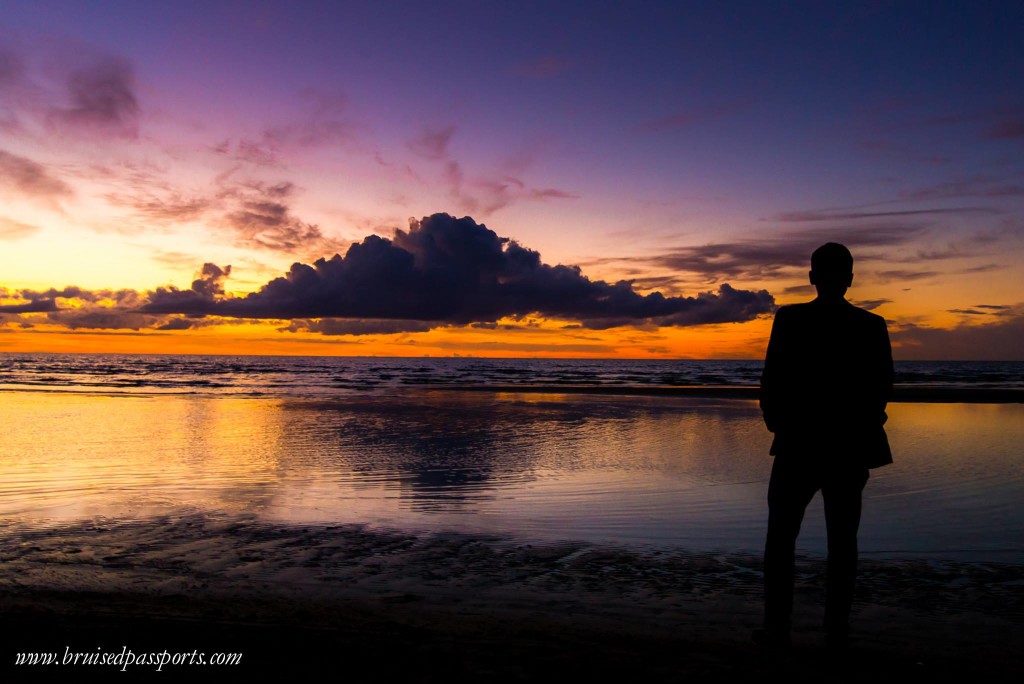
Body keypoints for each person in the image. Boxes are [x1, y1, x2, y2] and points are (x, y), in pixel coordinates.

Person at [755, 242, 893, 650]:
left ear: (812, 277)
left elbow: (772, 377)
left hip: (800, 443)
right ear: (850, 279)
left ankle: (779, 628)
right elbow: (881, 388)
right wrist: (864, 424)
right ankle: (835, 629)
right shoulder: (870, 325)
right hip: (846, 447)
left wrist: (777, 421)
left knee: (781, 539)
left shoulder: (791, 319)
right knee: (842, 543)